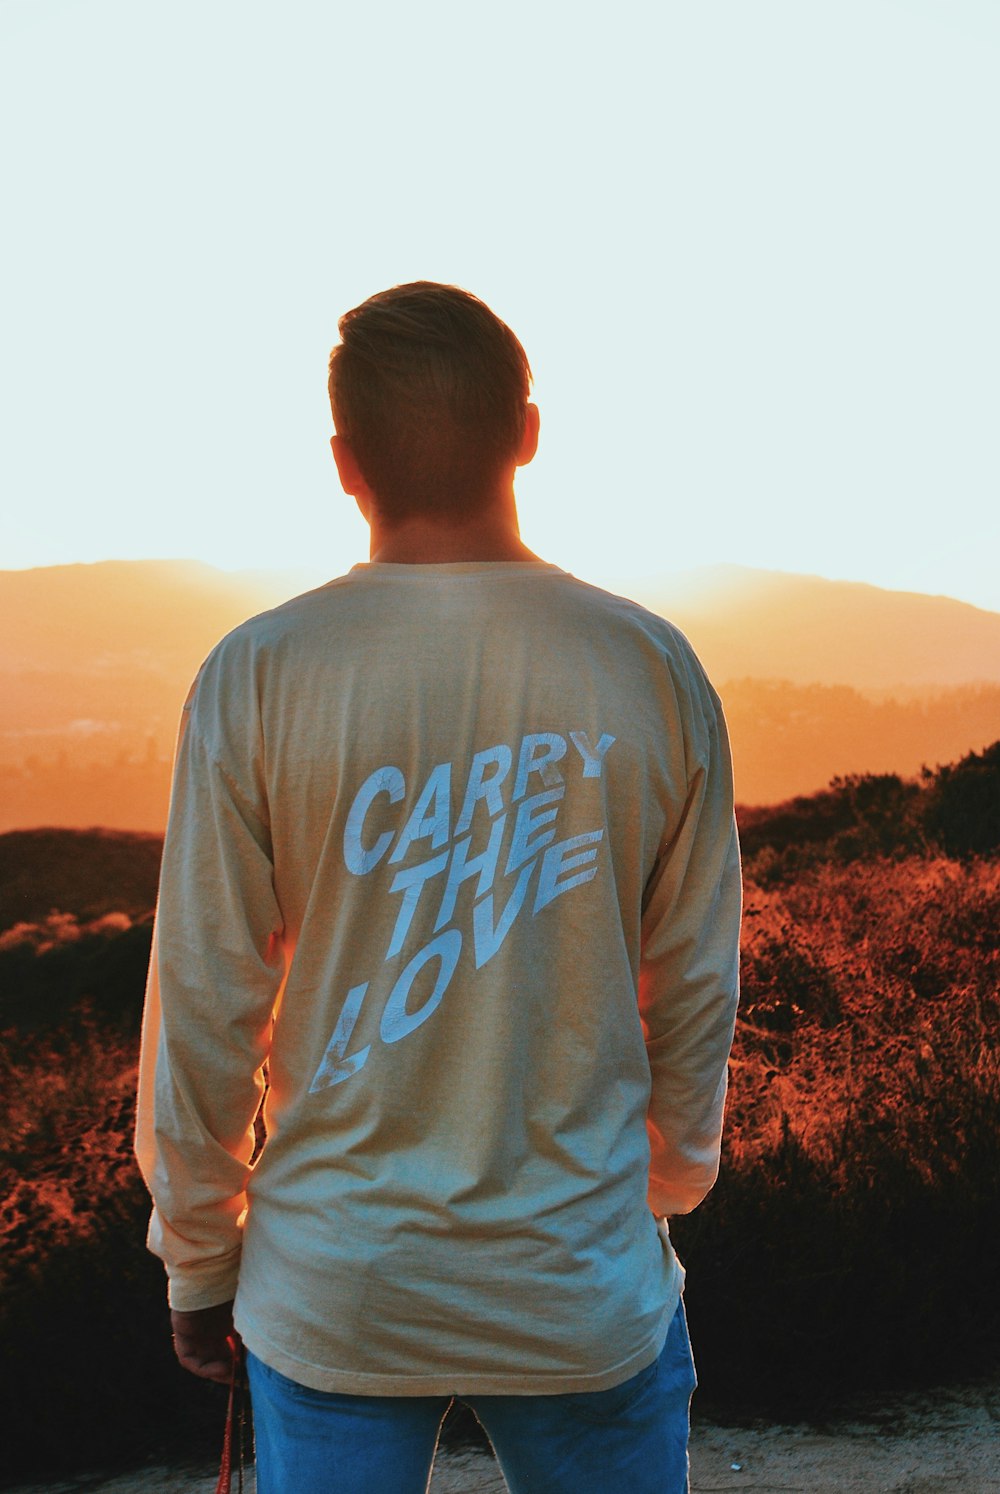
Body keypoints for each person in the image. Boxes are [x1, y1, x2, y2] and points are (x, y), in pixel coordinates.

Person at [135, 281, 742, 1494]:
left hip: (336, 1288)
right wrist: (659, 1189)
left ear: (343, 462)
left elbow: (205, 1003)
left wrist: (198, 1261)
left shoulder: (258, 674)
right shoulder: (648, 664)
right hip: (578, 1276)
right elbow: (692, 982)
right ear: (526, 433)